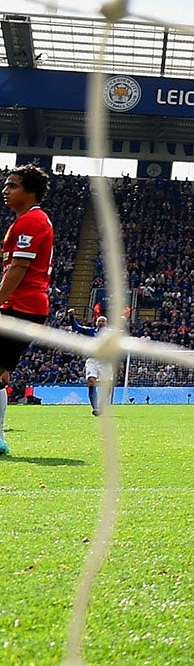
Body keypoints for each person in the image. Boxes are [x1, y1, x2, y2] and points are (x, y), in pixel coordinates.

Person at [0, 165, 56, 457]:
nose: (6, 191)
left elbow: (20, 267)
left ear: (30, 191)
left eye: (12, 186)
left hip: (20, 306)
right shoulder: (24, 221)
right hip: (21, 306)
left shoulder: (32, 221)